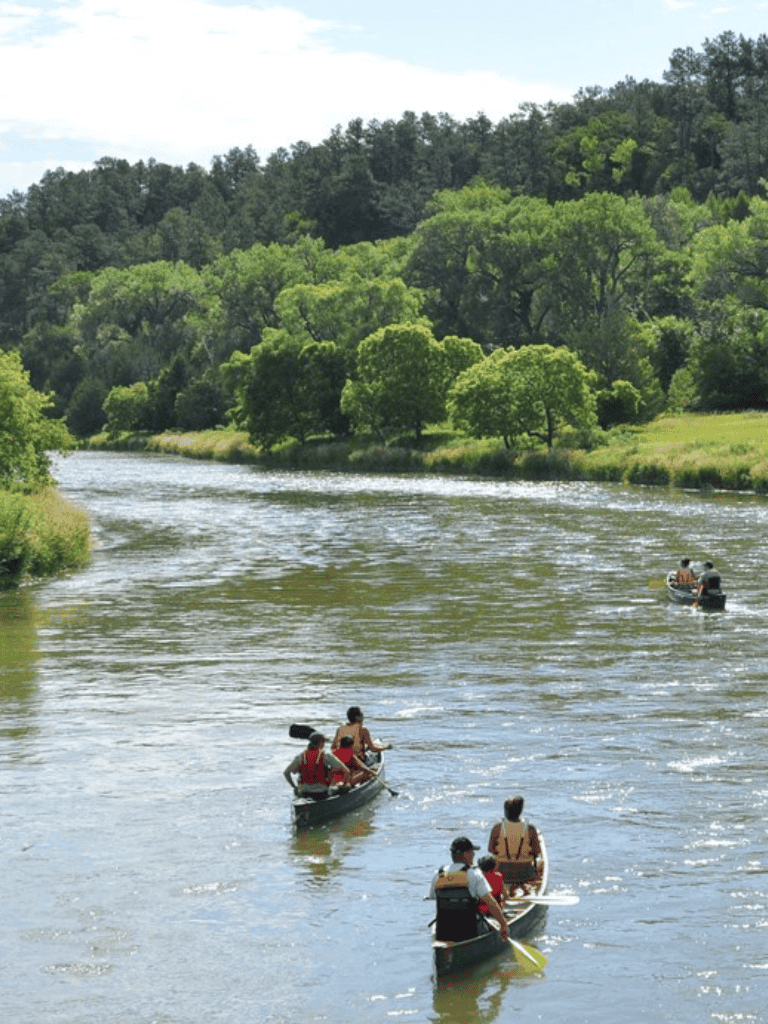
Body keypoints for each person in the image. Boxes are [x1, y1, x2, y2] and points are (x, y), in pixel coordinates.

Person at [430, 836, 509, 943]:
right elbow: (491, 903)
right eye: (472, 852)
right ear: (466, 854)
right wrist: (503, 925)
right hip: (470, 932)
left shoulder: (438, 875)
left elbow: (434, 897)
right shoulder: (474, 875)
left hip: (444, 933)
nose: (474, 855)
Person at [488, 795, 541, 885]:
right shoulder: (530, 828)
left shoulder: (498, 827)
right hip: (525, 873)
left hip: (502, 871)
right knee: (541, 862)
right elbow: (537, 851)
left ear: (505, 811)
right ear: (520, 811)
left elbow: (491, 849)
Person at [283, 732, 350, 800]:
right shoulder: (326, 755)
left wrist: (294, 787)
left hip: (303, 791)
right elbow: (346, 771)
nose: (324, 745)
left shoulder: (301, 756)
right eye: (323, 742)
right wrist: (345, 784)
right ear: (320, 743)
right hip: (321, 792)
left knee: (296, 790)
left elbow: (286, 773)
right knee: (345, 788)